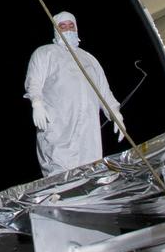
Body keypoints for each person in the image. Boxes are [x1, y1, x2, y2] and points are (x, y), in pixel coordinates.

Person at [24, 11, 124, 177]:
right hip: (59, 123)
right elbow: (34, 81)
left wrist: (115, 114)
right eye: (63, 26)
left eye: (71, 26)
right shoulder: (45, 53)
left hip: (87, 126)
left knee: (90, 168)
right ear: (56, 29)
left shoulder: (89, 59)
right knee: (61, 168)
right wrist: (37, 103)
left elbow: (103, 91)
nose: (68, 30)